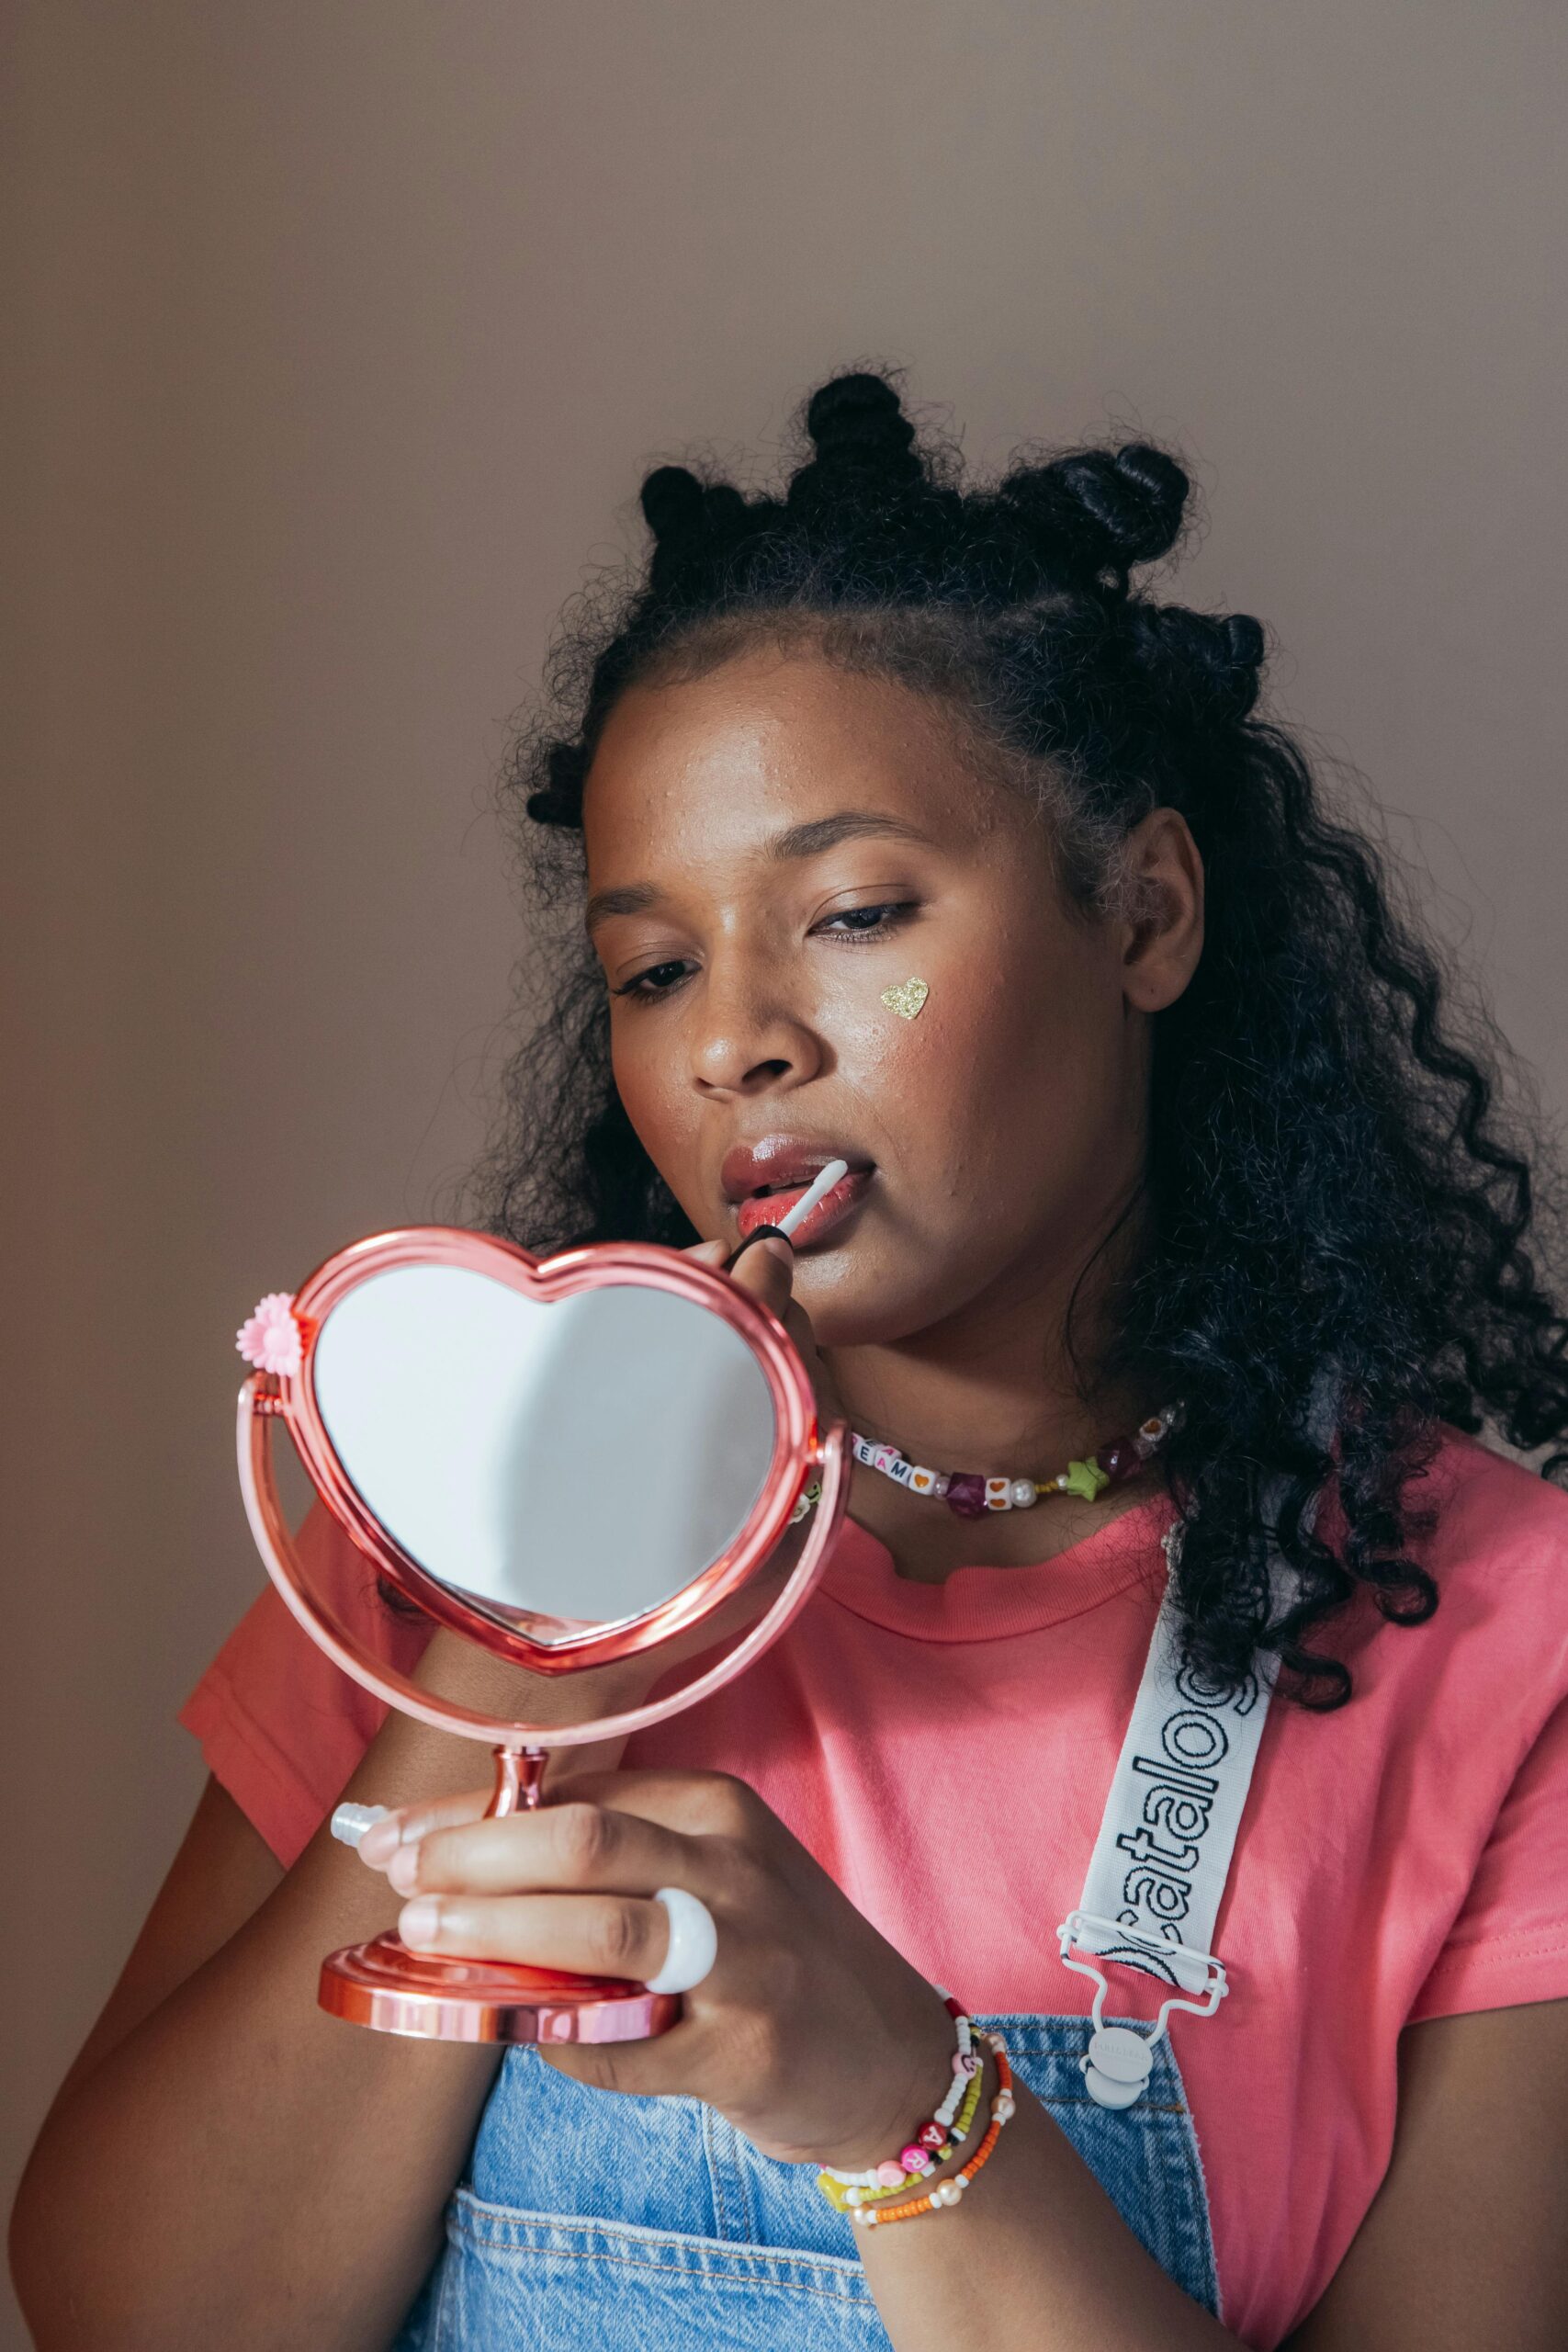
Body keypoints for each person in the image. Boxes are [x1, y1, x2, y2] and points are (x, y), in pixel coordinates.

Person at [12, 368, 1568, 2352]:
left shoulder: (1502, 1633)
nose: (733, 1039)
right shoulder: (442, 1532)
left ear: (1147, 912)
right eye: (651, 968)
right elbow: (135, 2313)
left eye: (846, 911)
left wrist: (905, 2106)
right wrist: (521, 1650)